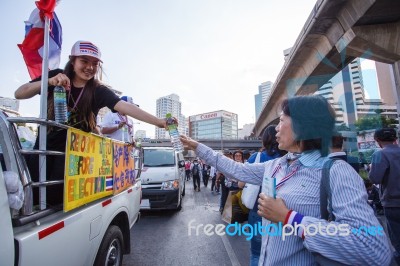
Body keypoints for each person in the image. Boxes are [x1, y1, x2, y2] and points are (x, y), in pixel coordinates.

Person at [180, 95, 391, 265]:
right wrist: (197, 146)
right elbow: (237, 170)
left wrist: (290, 218)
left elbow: (372, 247)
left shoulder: (336, 171)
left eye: (281, 121)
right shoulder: (277, 165)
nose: (276, 129)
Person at [15, 40, 167, 206]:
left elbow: (125, 107)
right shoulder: (56, 76)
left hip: (74, 159)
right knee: (33, 199)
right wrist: (48, 82)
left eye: (94, 63)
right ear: (72, 60)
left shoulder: (98, 90)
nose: (90, 67)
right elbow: (19, 93)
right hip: (43, 150)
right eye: (84, 61)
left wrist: (158, 122)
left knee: (57, 204)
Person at [245, 125, 286, 266]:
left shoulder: (256, 157)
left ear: (265, 140)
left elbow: (240, 183)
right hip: (284, 212)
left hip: (258, 210)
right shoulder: (286, 157)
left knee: (256, 253)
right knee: (280, 252)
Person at [369, 127, 400, 265]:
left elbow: (375, 178)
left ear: (377, 140)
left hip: (393, 204)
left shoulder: (379, 155)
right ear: (395, 139)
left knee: (398, 241)